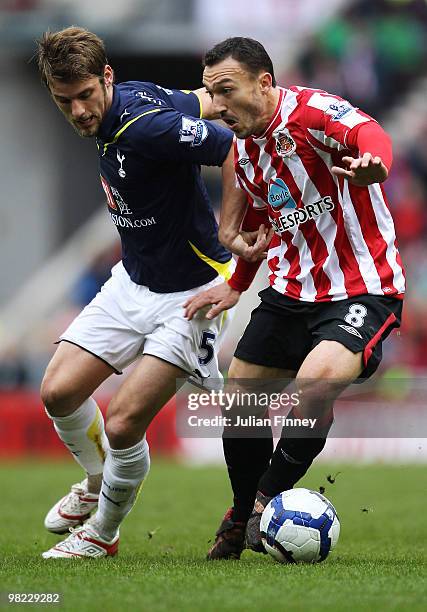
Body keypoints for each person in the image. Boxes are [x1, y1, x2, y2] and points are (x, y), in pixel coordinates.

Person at [34, 27, 269, 559]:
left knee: (121, 422)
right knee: (58, 392)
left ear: (106, 78)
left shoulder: (148, 128)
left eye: (85, 96)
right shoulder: (134, 99)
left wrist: (232, 228)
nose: (77, 111)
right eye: (63, 101)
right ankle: (96, 482)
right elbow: (204, 100)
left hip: (191, 294)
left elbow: (230, 145)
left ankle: (102, 533)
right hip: (133, 279)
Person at [184, 37, 405, 560]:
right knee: (241, 398)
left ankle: (264, 502)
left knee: (316, 383)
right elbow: (261, 231)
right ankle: (242, 515)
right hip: (290, 289)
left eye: (227, 91)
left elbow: (367, 131)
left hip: (363, 285)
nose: (217, 106)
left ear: (264, 83)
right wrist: (237, 283)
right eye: (211, 93)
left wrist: (376, 162)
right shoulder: (243, 153)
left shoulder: (310, 112)